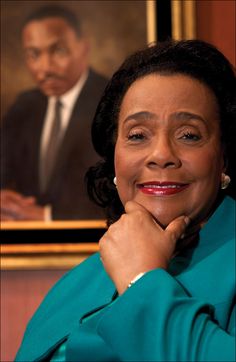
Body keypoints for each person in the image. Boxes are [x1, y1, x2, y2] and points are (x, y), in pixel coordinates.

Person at [15, 39, 235, 361]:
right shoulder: (77, 281)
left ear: (224, 158)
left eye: (189, 134)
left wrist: (143, 280)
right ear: (114, 157)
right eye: (137, 135)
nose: (161, 155)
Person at [0, 5, 107, 220]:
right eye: (33, 54)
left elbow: (115, 191)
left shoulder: (110, 101)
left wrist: (47, 216)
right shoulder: (25, 106)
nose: (45, 68)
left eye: (58, 51)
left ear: (84, 49)